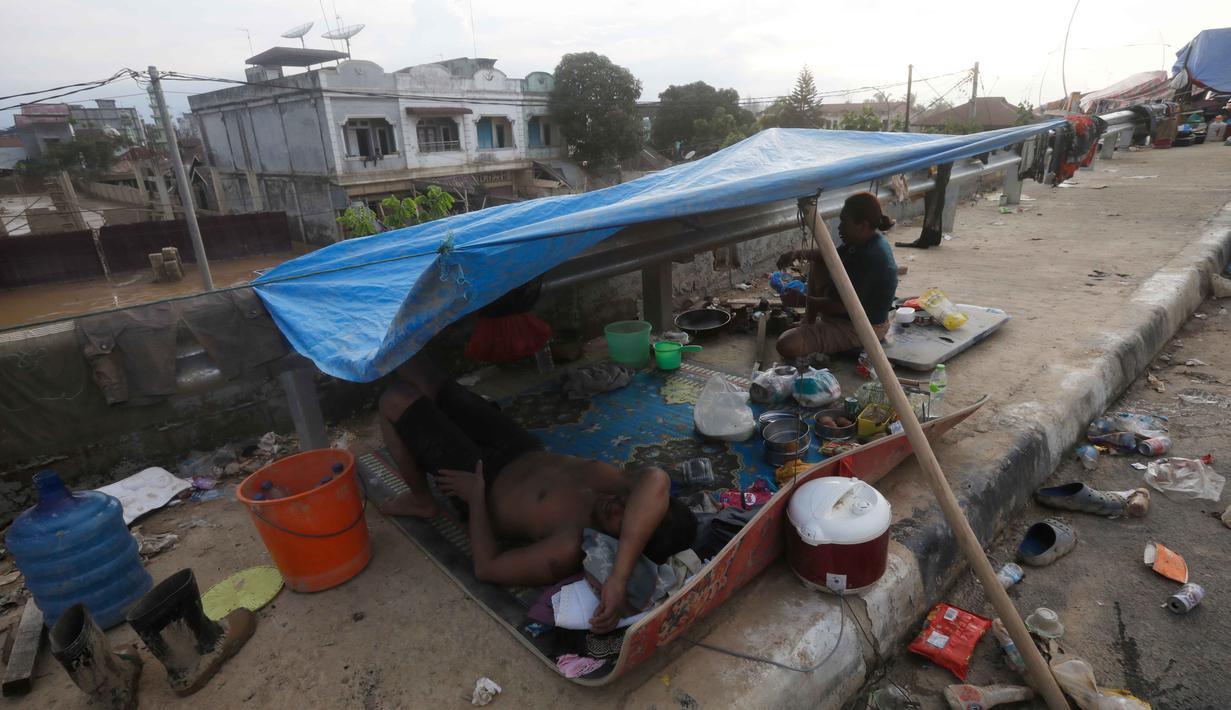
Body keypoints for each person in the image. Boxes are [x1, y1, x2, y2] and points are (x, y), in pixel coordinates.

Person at [376, 355, 697, 632]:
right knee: (415, 365)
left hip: (480, 479)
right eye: (631, 508)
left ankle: (421, 501)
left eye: (621, 517)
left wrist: (475, 498)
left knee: (395, 398)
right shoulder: (622, 488)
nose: (619, 504)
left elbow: (487, 567)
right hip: (516, 447)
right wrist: (620, 576)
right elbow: (657, 480)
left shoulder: (568, 545)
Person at [774, 192, 898, 358]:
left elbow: (842, 306)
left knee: (786, 344)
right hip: (844, 311)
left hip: (862, 327)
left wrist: (802, 300)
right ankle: (808, 323)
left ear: (862, 225)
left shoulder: (872, 256)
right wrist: (797, 253)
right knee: (819, 259)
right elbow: (829, 255)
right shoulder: (863, 240)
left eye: (844, 222)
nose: (839, 227)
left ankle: (814, 329)